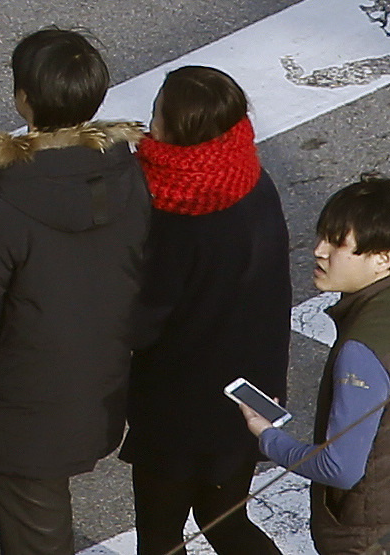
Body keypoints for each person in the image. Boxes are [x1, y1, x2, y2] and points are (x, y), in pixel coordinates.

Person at [0, 26, 156, 555]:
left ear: (24, 99)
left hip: (25, 403)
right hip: (104, 379)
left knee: (34, 532)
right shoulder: (129, 175)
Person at [245, 177, 390, 555]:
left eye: (337, 243)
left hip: (374, 540)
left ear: (382, 257)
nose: (318, 251)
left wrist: (267, 436)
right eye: (321, 236)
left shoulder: (362, 352)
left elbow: (340, 468)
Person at [124, 67, 292, 555]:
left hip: (181, 409)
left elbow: (142, 320)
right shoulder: (252, 179)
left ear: (180, 132)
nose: (149, 125)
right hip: (252, 395)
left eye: (157, 114)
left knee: (160, 536)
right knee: (226, 522)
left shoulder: (179, 219)